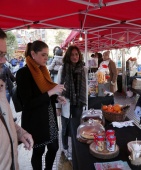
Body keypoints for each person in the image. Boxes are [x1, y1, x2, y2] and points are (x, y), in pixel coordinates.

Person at [16, 40, 66, 170]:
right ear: (33, 54)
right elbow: (28, 103)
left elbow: (46, 93)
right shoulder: (23, 73)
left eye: (47, 55)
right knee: (38, 152)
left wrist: (56, 97)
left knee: (54, 148)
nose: (46, 58)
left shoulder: (43, 71)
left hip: (49, 118)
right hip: (35, 121)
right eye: (43, 55)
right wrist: (51, 92)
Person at [0, 28, 34, 170]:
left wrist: (19, 133)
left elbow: (6, 122)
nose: (3, 60)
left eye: (3, 54)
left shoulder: (0, 89)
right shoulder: (22, 72)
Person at [56, 45, 87, 160]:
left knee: (78, 126)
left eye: (76, 54)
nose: (75, 57)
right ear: (68, 56)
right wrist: (58, 106)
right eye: (72, 54)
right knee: (65, 127)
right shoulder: (62, 69)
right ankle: (65, 147)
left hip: (78, 102)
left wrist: (85, 103)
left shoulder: (83, 69)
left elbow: (85, 88)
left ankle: (76, 147)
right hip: (66, 102)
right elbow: (59, 87)